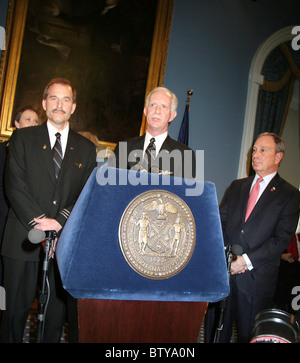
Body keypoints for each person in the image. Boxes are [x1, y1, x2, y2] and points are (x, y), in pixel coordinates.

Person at [0, 78, 96, 343]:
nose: (59, 105)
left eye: (66, 100)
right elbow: (14, 185)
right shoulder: (22, 138)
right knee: (12, 316)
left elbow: (85, 194)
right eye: (53, 98)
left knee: (54, 318)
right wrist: (42, 223)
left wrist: (60, 221)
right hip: (22, 240)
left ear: (73, 107)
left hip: (62, 245)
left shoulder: (86, 150)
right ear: (44, 103)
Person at [207, 132, 300, 343]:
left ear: (278, 157)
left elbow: (281, 239)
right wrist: (228, 256)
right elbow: (219, 222)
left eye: (263, 150)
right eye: (255, 149)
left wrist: (245, 261)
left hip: (257, 280)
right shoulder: (237, 186)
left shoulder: (290, 195)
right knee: (215, 331)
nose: (255, 154)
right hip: (224, 272)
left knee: (249, 336)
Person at [110, 87, 195, 179]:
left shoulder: (185, 155)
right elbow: (112, 187)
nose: (157, 111)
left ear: (172, 116)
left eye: (164, 106)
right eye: (153, 105)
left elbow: (183, 192)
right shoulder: (124, 147)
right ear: (146, 111)